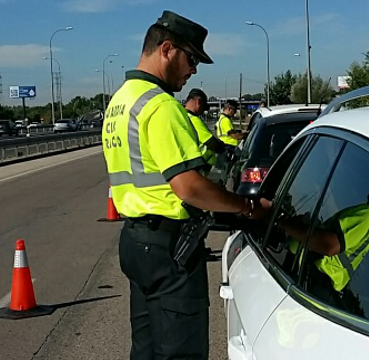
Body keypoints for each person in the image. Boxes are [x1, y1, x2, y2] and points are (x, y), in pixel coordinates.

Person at [101, 10, 270, 360]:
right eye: (191, 58)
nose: (194, 70)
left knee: (146, 349)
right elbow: (189, 186)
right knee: (181, 351)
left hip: (136, 241)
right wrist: (246, 207)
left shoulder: (120, 102)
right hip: (169, 247)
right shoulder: (160, 106)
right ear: (167, 49)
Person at [278, 167, 369, 314]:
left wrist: (283, 222)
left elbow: (329, 245)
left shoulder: (368, 215)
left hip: (311, 278)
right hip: (315, 284)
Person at [184, 88, 225, 176]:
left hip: (189, 165)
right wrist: (222, 148)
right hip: (200, 166)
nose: (203, 111)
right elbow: (210, 142)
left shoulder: (182, 116)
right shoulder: (193, 120)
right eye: (203, 107)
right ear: (198, 102)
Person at [214, 100, 246, 181]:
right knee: (226, 173)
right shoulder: (225, 120)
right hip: (228, 149)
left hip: (224, 148)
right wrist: (246, 135)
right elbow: (235, 136)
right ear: (229, 109)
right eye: (234, 110)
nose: (235, 113)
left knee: (224, 174)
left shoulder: (222, 119)